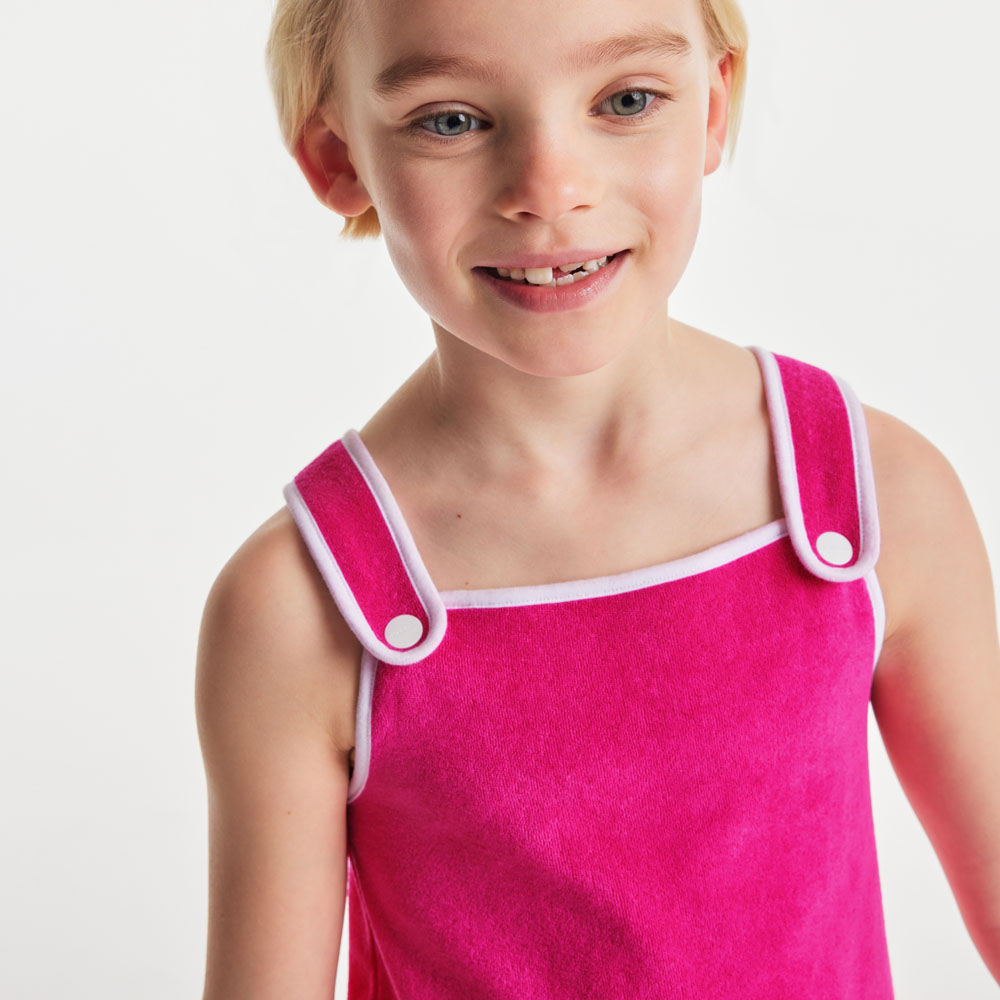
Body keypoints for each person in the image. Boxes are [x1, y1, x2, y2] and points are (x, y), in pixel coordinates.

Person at [194, 0, 1000, 995]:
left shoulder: (879, 499)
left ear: (713, 108)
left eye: (625, 100)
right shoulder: (296, 610)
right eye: (452, 119)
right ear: (337, 157)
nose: (551, 189)